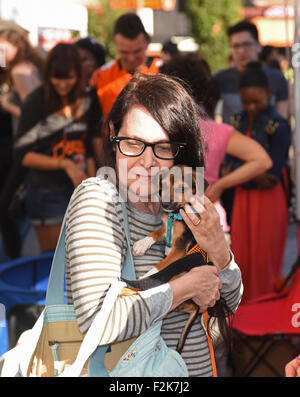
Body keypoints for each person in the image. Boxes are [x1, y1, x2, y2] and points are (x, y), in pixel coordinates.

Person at [64, 72, 243, 377]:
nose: (147, 162)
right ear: (112, 134)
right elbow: (97, 320)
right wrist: (185, 287)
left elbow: (228, 300)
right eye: (133, 143)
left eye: (162, 147)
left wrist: (220, 253)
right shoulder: (100, 200)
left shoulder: (178, 200)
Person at [160, 53, 272, 228]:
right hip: (207, 215)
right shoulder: (216, 131)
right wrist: (220, 185)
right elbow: (262, 160)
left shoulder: (159, 128)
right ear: (205, 89)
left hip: (167, 217)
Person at [12, 43, 102, 253]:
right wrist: (64, 164)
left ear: (78, 74)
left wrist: (92, 187)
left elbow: (89, 146)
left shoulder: (88, 99)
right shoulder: (37, 101)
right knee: (55, 258)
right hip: (46, 191)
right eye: (56, 78)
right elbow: (22, 155)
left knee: (84, 254)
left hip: (81, 189)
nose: (62, 84)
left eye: (68, 77)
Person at [227, 62, 290, 303]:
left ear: (269, 95)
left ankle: (264, 312)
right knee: (242, 254)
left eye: (257, 101)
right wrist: (253, 170)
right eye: (246, 102)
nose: (251, 107)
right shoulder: (236, 122)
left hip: (269, 199)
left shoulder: (278, 125)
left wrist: (240, 172)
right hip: (243, 197)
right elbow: (228, 163)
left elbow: (271, 174)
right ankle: (242, 313)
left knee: (264, 257)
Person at [213, 20, 289, 124]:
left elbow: (281, 119)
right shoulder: (220, 79)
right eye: (235, 46)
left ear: (258, 46)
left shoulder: (277, 78)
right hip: (231, 139)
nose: (241, 51)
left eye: (246, 44)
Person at [90, 12, 161, 120]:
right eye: (124, 52)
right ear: (115, 43)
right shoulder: (101, 77)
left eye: (137, 51)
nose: (131, 58)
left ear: (146, 42)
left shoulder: (164, 70)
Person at [0, 28, 44, 137]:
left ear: (18, 46)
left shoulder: (19, 70)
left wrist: (6, 105)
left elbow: (33, 113)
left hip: (28, 139)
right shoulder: (29, 65)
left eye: (3, 50)